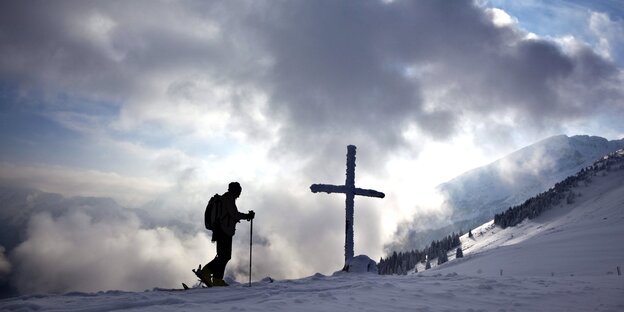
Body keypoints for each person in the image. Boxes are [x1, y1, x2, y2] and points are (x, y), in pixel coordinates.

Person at [199, 182, 254, 287]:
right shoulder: (229, 199)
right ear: (234, 190)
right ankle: (207, 273)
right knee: (225, 256)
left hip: (220, 230)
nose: (239, 193)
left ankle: (216, 279)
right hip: (224, 230)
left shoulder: (225, 198)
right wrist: (248, 216)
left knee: (223, 255)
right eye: (239, 190)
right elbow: (234, 214)